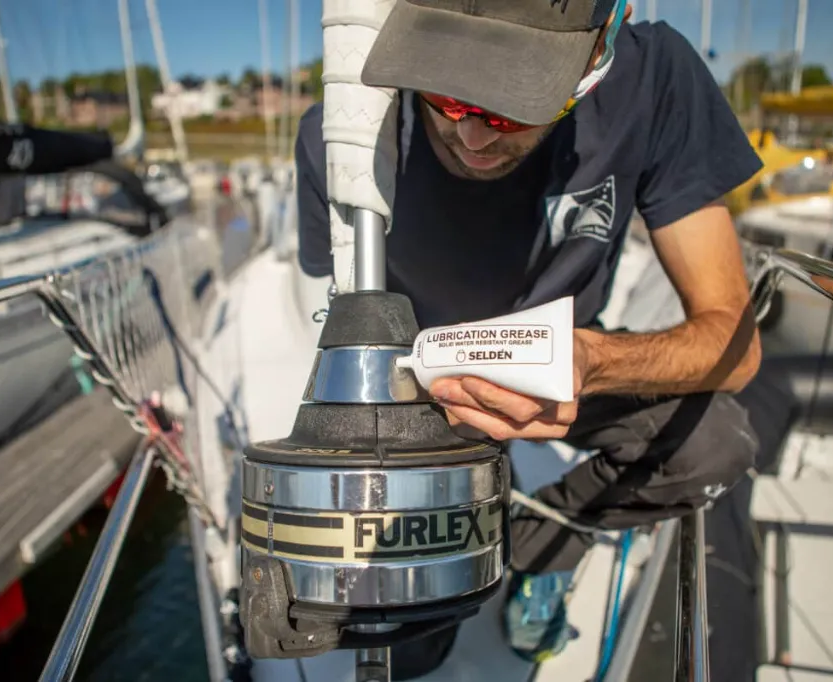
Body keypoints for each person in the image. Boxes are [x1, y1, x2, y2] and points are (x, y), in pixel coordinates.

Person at [294, 0, 763, 663]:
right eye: (446, 98)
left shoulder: (654, 78)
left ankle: (542, 552)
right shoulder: (340, 135)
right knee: (411, 648)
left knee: (712, 446)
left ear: (601, 46)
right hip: (419, 387)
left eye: (512, 107)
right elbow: (334, 311)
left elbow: (734, 340)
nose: (471, 138)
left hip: (567, 360)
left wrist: (590, 360)